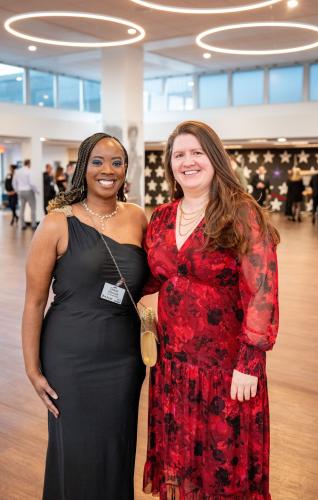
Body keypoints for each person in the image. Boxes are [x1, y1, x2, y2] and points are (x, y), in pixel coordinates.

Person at [143, 121, 279, 500]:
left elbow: (262, 290)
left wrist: (250, 360)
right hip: (174, 367)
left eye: (197, 152)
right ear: (170, 165)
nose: (188, 161)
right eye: (179, 154)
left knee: (223, 467)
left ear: (214, 158)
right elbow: (151, 277)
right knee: (182, 464)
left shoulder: (241, 213)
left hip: (226, 369)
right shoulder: (162, 217)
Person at [21, 132, 149, 500]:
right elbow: (33, 303)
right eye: (97, 161)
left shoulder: (138, 218)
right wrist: (32, 369)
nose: (107, 170)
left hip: (124, 361)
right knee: (75, 453)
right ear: (82, 168)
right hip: (70, 360)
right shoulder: (57, 223)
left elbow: (156, 283)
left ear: (126, 170)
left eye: (116, 162)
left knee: (116, 449)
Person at [12, 159, 38, 230]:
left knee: (21, 208)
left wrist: (17, 191)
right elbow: (31, 183)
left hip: (20, 191)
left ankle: (23, 225)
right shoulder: (29, 171)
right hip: (29, 191)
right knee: (33, 208)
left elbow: (14, 183)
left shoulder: (17, 171)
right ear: (29, 164)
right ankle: (33, 225)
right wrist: (36, 191)